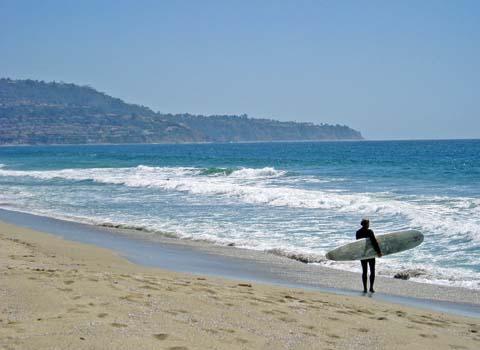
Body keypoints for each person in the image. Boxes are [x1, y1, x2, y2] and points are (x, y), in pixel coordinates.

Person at [356, 218, 382, 293]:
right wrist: (379, 252)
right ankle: (371, 288)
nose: (368, 225)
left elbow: (358, 245)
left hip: (363, 254)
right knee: (372, 271)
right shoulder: (370, 231)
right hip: (370, 253)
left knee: (364, 271)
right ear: (366, 224)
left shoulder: (358, 232)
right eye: (368, 223)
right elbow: (374, 242)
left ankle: (365, 288)